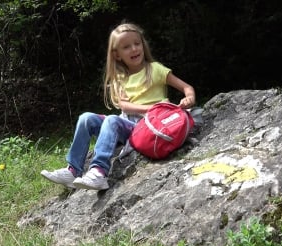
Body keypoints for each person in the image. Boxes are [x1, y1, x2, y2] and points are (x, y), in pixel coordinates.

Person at [40, 22, 196, 190]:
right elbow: (124, 106)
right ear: (117, 55)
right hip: (127, 122)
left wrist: (189, 98)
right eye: (127, 47)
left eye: (137, 44)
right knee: (86, 118)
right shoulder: (119, 78)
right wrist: (150, 107)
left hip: (148, 125)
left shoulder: (155, 69)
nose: (134, 49)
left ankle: (99, 171)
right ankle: (73, 171)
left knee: (112, 120)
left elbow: (187, 87)